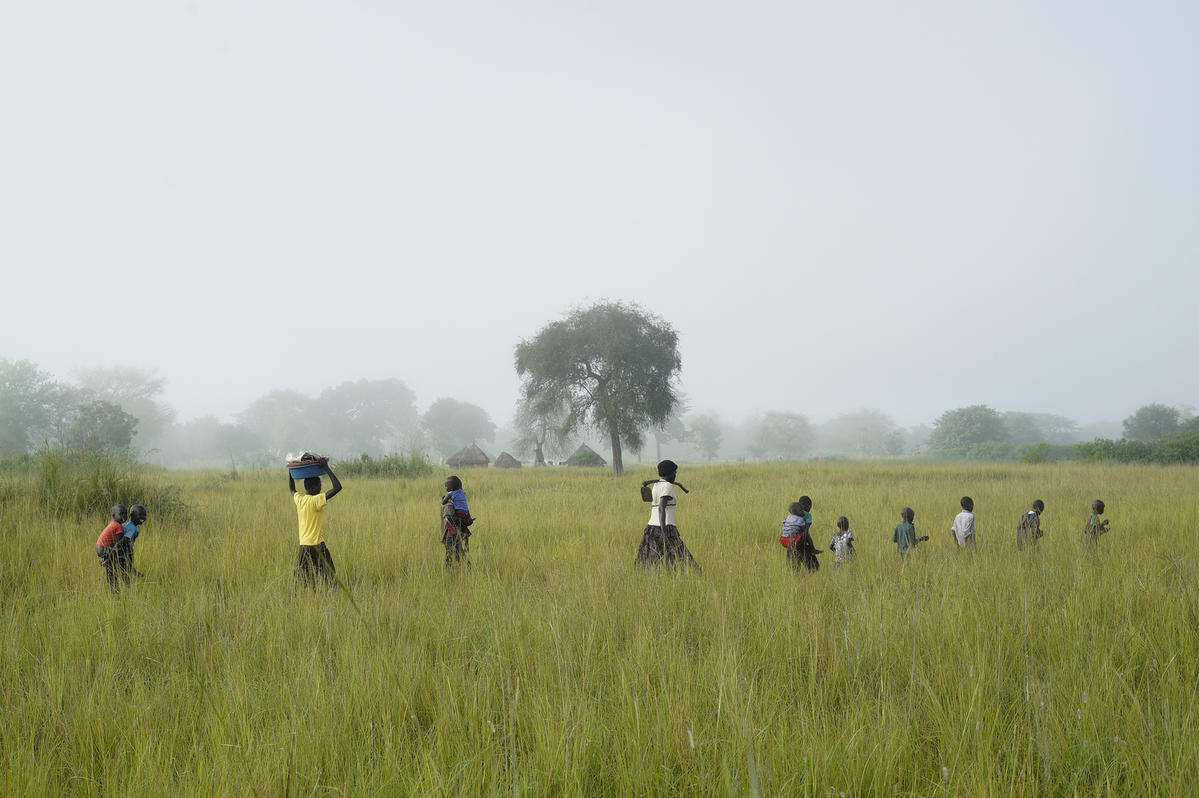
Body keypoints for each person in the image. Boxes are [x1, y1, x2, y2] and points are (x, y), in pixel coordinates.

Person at [635, 459, 700, 571]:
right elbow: (661, 508)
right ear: (669, 474)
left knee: (652, 559)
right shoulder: (667, 487)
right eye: (674, 473)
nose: (675, 475)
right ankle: (697, 575)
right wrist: (664, 532)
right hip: (666, 527)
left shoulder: (656, 485)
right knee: (683, 557)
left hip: (651, 528)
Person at [289, 458, 342, 589]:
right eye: (319, 485)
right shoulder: (316, 501)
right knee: (330, 577)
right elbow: (337, 487)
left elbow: (292, 488)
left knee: (301, 580)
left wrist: (291, 469)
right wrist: (326, 468)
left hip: (304, 547)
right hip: (318, 546)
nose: (320, 488)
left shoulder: (300, 501)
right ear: (315, 487)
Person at [440, 475, 476, 566]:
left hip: (452, 533)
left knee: (453, 555)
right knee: (457, 554)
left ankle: (462, 572)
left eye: (446, 485)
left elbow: (449, 518)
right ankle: (466, 570)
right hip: (454, 532)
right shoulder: (460, 495)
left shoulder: (449, 501)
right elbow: (450, 517)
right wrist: (467, 522)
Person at [95, 504, 130, 592]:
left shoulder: (113, 524)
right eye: (121, 514)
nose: (124, 516)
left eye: (125, 514)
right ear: (114, 516)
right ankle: (115, 590)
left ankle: (114, 589)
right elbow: (118, 544)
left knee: (111, 568)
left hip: (101, 547)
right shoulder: (118, 526)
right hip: (104, 548)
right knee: (113, 568)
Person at [780, 496, 819, 571]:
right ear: (808, 505)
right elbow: (805, 533)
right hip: (800, 544)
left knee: (793, 570)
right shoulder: (806, 516)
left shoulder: (789, 517)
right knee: (814, 568)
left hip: (790, 544)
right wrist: (809, 547)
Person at [118, 504, 147, 578]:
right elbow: (126, 539)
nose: (143, 518)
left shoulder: (125, 524)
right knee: (125, 572)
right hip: (123, 551)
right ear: (133, 515)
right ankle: (131, 571)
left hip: (120, 551)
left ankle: (131, 570)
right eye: (141, 515)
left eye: (144, 515)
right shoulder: (133, 529)